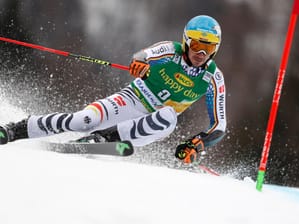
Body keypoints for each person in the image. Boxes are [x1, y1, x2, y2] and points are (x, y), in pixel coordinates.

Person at [0, 15, 227, 164]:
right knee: (84, 119)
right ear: (186, 42)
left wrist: (196, 145)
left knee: (169, 116)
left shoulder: (213, 78)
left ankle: (100, 140)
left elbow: (219, 125)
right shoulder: (171, 50)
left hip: (149, 126)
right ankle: (14, 130)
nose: (201, 53)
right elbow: (144, 55)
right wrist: (139, 62)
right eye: (197, 45)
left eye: (208, 48)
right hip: (132, 99)